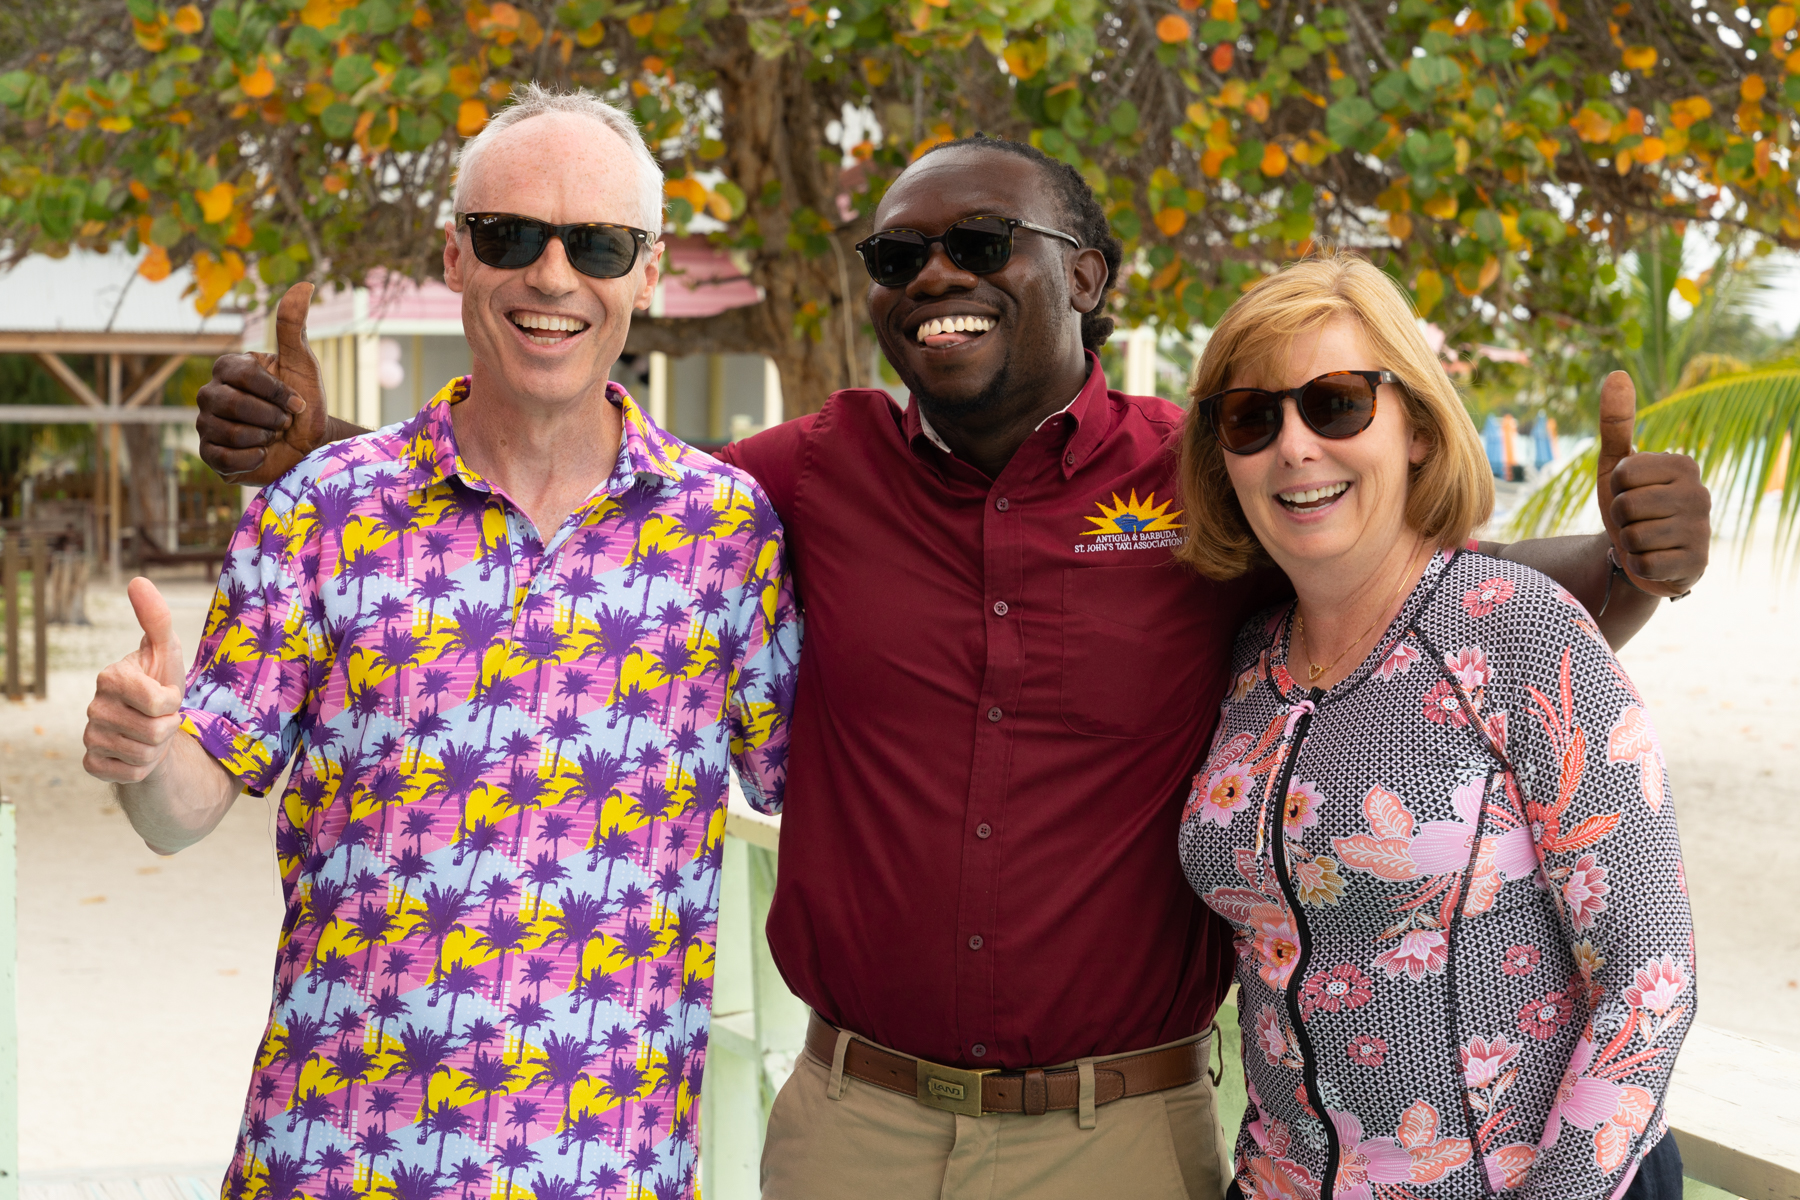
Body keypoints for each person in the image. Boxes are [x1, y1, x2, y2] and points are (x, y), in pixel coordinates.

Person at [191, 132, 1711, 1199]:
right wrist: (327, 456)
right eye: (899, 254)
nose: (934, 277)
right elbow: (587, 501)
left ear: (1093, 277)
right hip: (849, 1123)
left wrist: (1631, 560)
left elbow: (1413, 596)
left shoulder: (1211, 477)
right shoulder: (800, 477)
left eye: (980, 247)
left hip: (1113, 1141)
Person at [80, 85, 799, 1200]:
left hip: (612, 1170)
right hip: (333, 1163)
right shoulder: (322, 506)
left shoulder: (728, 532)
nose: (553, 278)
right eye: (511, 237)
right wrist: (141, 748)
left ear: (647, 274)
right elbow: (182, 812)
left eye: (599, 244)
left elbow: (822, 782)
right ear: (455, 256)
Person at [1174, 253, 1692, 1200]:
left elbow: (1648, 975)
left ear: (1414, 427)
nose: (1293, 446)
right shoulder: (1248, 662)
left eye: (1335, 404)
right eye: (1251, 418)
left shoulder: (1518, 629)